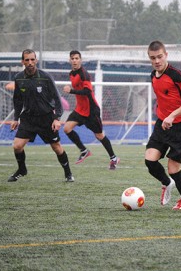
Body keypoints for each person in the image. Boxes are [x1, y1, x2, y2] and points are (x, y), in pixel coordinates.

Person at [145, 40, 181, 210]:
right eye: (153, 58)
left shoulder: (177, 75)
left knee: (173, 169)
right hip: (162, 124)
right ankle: (167, 183)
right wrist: (164, 116)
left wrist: (172, 115)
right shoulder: (153, 75)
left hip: (180, 126)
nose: (157, 61)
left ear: (166, 55)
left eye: (160, 57)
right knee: (150, 161)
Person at [8, 49, 74, 183]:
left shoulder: (45, 77)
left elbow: (57, 98)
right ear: (23, 62)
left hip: (46, 118)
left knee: (56, 147)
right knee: (17, 146)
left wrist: (57, 118)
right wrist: (16, 118)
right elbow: (18, 101)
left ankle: (68, 173)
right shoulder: (19, 78)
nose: (30, 63)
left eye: (32, 59)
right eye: (27, 60)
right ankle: (22, 170)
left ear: (36, 60)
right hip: (28, 118)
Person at [62, 50, 120, 169]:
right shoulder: (71, 74)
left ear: (80, 60)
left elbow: (88, 92)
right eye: (72, 58)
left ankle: (113, 158)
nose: (74, 60)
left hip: (91, 111)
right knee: (67, 128)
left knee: (99, 136)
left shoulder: (84, 74)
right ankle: (84, 151)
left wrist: (71, 91)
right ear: (69, 60)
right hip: (80, 109)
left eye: (77, 58)